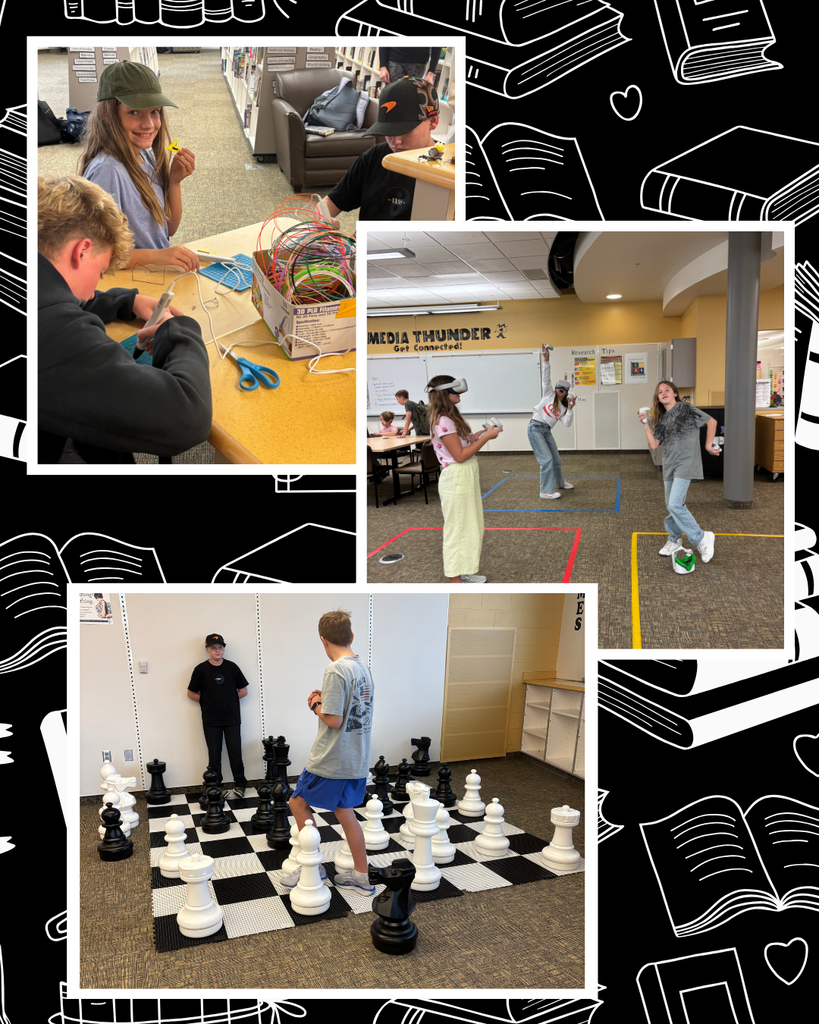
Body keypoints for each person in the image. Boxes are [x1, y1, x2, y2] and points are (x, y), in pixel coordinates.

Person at [38, 173, 212, 464]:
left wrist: (128, 301)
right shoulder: (56, 334)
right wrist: (180, 333)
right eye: (102, 271)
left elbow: (63, 295)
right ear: (82, 251)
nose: (96, 287)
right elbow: (188, 418)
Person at [284, 609, 376, 897]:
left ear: (323, 641)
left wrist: (314, 704)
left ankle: (313, 867)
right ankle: (362, 875)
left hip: (330, 758)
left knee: (297, 802)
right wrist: (327, 701)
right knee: (345, 812)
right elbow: (352, 710)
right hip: (356, 757)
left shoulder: (335, 669)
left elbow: (334, 720)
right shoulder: (362, 667)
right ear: (351, 636)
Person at [78, 60, 201, 272]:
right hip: (130, 283)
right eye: (134, 112)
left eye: (154, 111)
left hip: (154, 273)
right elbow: (95, 256)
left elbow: (168, 229)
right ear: (108, 114)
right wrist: (157, 256)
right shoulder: (108, 171)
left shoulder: (145, 154)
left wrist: (174, 181)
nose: (149, 124)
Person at [320, 77, 442, 221]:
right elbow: (329, 203)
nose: (395, 141)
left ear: (433, 121)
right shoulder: (374, 156)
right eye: (388, 130)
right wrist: (322, 220)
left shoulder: (449, 170)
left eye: (405, 130)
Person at [427, 375, 501, 583]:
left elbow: (459, 445)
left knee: (470, 526)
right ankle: (454, 580)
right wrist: (485, 439)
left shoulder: (449, 417)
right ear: (444, 393)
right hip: (457, 477)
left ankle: (464, 570)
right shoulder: (443, 421)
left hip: (465, 476)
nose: (459, 395)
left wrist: (476, 436)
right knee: (457, 529)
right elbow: (459, 456)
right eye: (455, 391)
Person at [639, 380, 719, 563]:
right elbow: (654, 444)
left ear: (675, 393)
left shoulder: (685, 408)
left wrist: (708, 446)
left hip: (686, 462)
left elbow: (711, 422)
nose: (663, 392)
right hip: (669, 464)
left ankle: (701, 537)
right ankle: (674, 539)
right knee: (671, 505)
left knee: (675, 504)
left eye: (667, 389)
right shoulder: (662, 420)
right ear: (658, 398)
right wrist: (645, 425)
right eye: (660, 391)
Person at [187, 633, 249, 799]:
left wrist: (228, 700)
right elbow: (191, 693)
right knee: (214, 754)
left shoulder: (232, 667)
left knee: (235, 752)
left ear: (223, 649)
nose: (217, 650)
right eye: (213, 648)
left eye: (220, 647)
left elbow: (243, 690)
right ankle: (216, 786)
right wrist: (208, 702)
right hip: (211, 719)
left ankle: (240, 784)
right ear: (207, 649)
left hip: (232, 718)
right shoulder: (200, 669)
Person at [528, 345, 576, 499]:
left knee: (556, 459)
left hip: (546, 431)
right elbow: (545, 378)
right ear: (555, 389)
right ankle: (545, 491)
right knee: (546, 460)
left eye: (563, 389)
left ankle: (560, 482)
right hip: (535, 428)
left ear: (567, 392)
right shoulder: (548, 394)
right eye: (558, 388)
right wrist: (546, 359)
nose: (560, 390)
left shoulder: (563, 407)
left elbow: (567, 423)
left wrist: (569, 408)